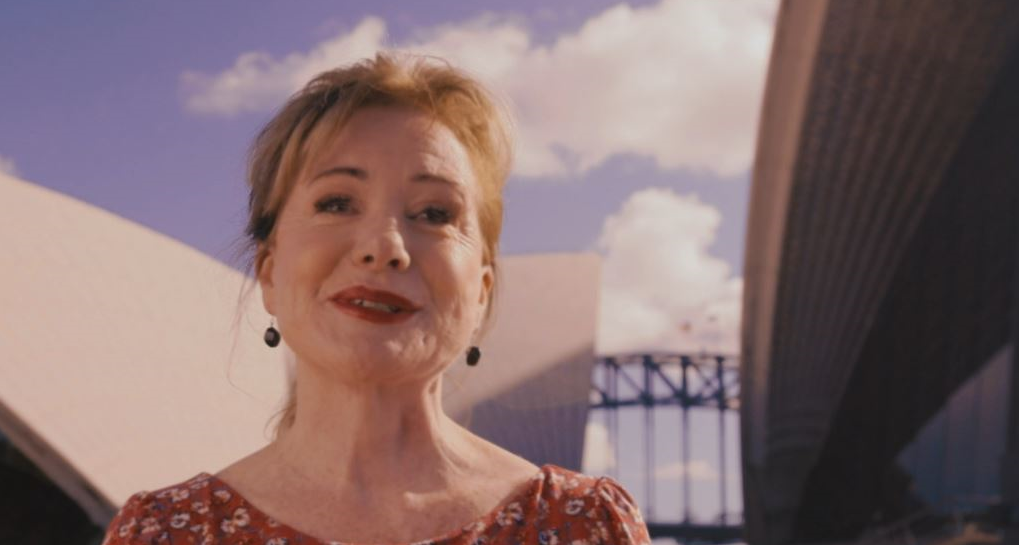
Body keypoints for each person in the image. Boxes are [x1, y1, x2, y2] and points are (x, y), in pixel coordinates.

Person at [102, 52, 649, 545]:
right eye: (338, 202)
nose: (384, 248)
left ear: (481, 292)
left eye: (435, 214)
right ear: (268, 273)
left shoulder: (585, 525)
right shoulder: (163, 533)